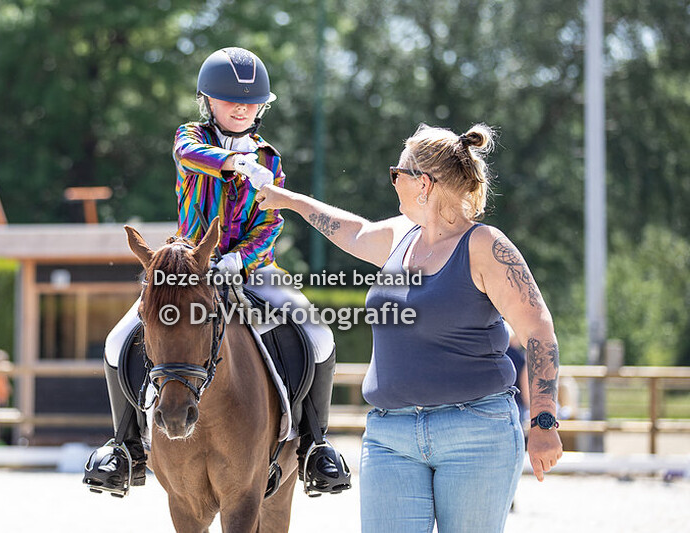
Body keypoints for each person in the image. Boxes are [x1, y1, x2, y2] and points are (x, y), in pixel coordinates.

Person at [256, 123, 563, 531]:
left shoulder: (485, 245)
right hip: (390, 435)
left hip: (477, 431)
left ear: (423, 183)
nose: (393, 182)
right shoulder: (402, 235)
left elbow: (538, 331)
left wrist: (543, 421)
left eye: (396, 173)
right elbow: (354, 231)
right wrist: (288, 200)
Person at [84, 47, 350, 496]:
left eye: (251, 102)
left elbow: (271, 222)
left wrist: (237, 260)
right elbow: (190, 154)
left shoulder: (270, 159)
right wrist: (234, 163)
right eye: (230, 100)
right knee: (117, 339)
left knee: (319, 334)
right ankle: (125, 447)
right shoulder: (189, 136)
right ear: (207, 100)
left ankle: (314, 446)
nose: (241, 108)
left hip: (251, 269)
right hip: (186, 270)